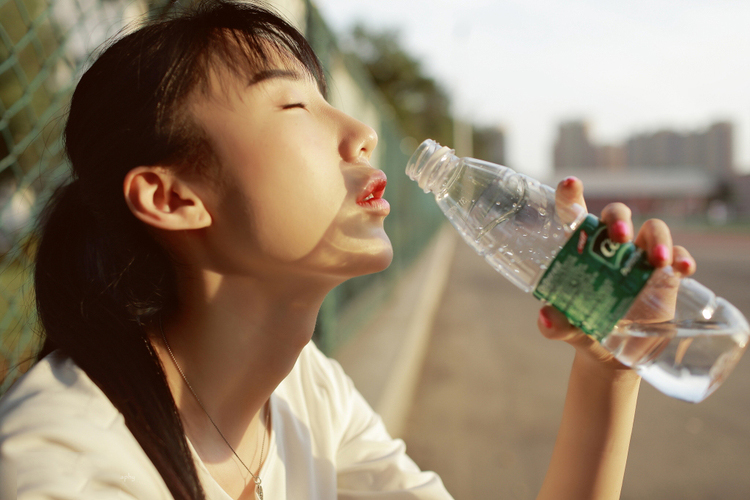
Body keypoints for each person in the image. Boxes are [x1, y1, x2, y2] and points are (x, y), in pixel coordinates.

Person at [0, 1, 697, 499]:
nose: (362, 131)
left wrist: (610, 364)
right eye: (293, 106)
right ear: (174, 197)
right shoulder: (62, 471)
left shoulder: (306, 393)